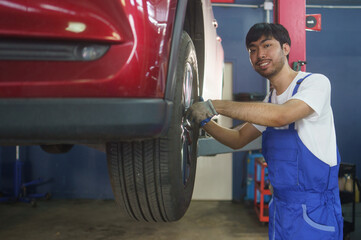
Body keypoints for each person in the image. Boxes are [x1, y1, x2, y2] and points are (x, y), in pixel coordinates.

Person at [186, 23, 343, 240]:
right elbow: (238, 139)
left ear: (286, 48)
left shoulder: (315, 84)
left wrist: (215, 106)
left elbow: (282, 115)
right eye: (252, 49)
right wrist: (204, 121)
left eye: (267, 45)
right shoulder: (270, 101)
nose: (260, 54)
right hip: (280, 210)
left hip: (315, 212)